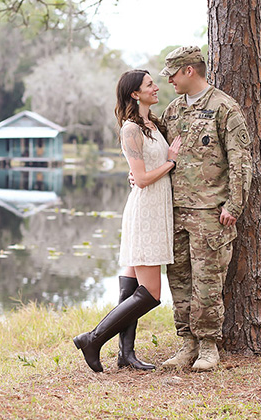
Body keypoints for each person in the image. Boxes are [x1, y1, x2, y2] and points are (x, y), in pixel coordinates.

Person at [73, 69, 182, 373]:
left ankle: (126, 354)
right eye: (150, 85)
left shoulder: (153, 124)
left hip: (155, 205)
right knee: (151, 294)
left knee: (131, 284)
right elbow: (144, 178)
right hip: (145, 208)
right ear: (135, 93)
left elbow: (143, 170)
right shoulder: (131, 129)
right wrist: (171, 162)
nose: (156, 87)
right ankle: (93, 339)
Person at [158, 46, 253, 371]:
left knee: (208, 283)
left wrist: (234, 204)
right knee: (180, 281)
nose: (168, 79)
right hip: (175, 211)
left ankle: (209, 347)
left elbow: (241, 160)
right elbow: (158, 153)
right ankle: (186, 344)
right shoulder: (172, 111)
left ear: (189, 70)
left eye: (172, 72)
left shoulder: (225, 107)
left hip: (211, 213)